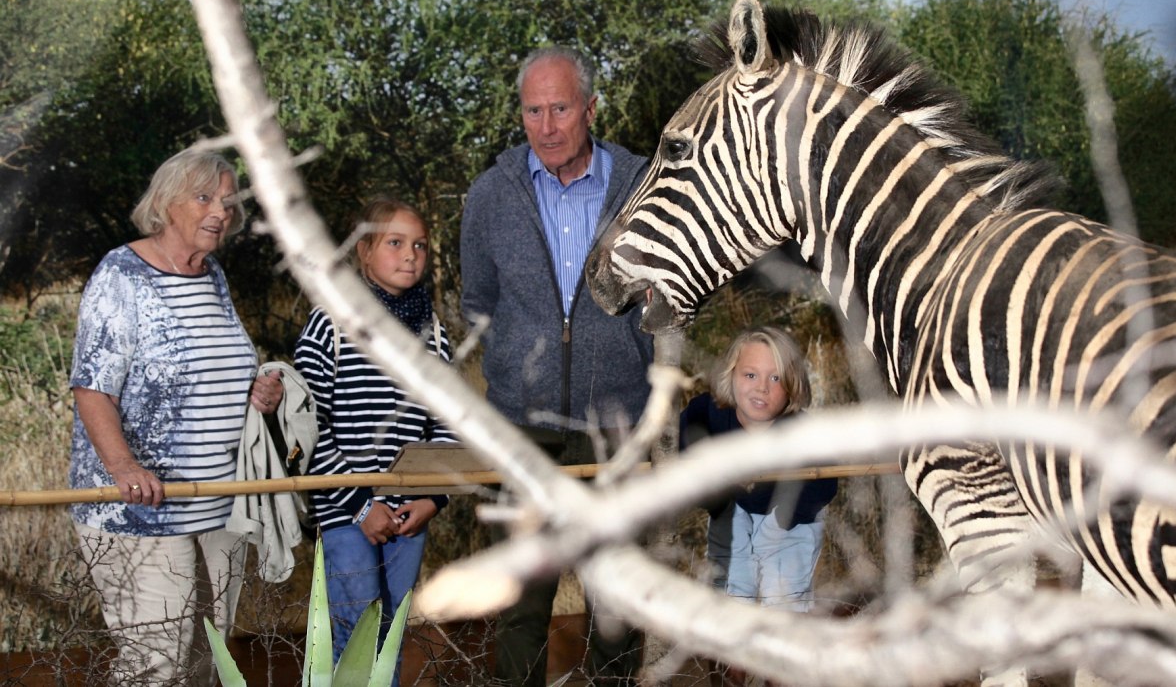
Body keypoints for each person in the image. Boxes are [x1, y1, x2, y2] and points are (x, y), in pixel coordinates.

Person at [460, 45, 653, 686]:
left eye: (561, 108)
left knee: (618, 604)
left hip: (614, 430)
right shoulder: (490, 196)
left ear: (591, 108)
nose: (546, 125)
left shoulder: (644, 187)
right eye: (533, 110)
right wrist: (517, 372)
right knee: (519, 606)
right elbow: (479, 305)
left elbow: (673, 301)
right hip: (521, 431)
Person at [69, 149, 284, 686]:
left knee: (207, 663)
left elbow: (217, 369)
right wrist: (124, 468)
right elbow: (92, 388)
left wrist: (257, 393)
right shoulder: (123, 274)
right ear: (166, 204)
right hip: (142, 510)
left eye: (229, 201)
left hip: (217, 506)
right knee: (155, 666)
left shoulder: (212, 274)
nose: (221, 211)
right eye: (205, 197)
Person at [294, 197, 455, 685]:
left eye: (420, 246)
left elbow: (446, 426)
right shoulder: (330, 325)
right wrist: (362, 507)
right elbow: (307, 430)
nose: (411, 255)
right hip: (346, 512)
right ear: (364, 251)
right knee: (352, 630)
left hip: (409, 515)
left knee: (391, 636)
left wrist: (433, 498)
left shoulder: (433, 336)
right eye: (395, 243)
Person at [679, 327, 837, 613]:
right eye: (750, 375)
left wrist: (773, 529)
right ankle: (733, 640)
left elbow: (823, 487)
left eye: (775, 378)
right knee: (732, 585)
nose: (762, 387)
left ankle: (786, 636)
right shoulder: (707, 413)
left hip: (790, 516)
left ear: (793, 386)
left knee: (783, 592)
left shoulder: (804, 433)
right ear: (731, 375)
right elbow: (687, 459)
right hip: (734, 506)